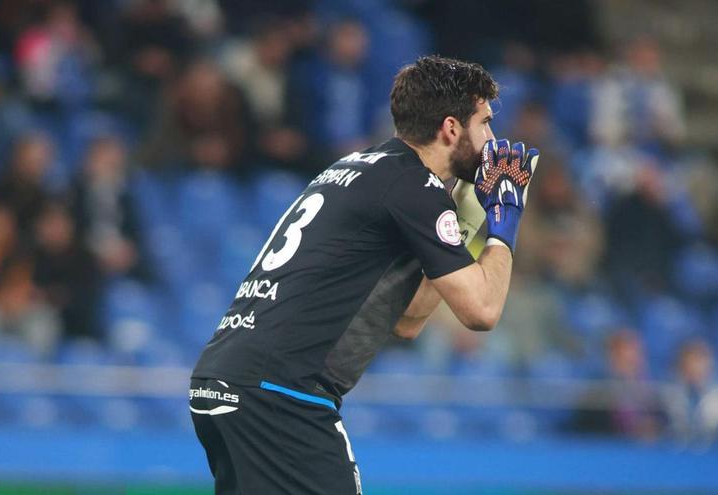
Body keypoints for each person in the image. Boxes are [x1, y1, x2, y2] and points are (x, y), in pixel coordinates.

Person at [189, 55, 540, 494]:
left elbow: (407, 320)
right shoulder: (414, 188)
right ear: (451, 128)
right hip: (281, 392)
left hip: (228, 382)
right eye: (485, 123)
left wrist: (466, 221)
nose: (493, 140)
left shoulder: (362, 168)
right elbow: (482, 310)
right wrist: (504, 226)